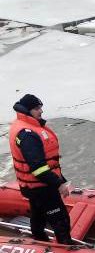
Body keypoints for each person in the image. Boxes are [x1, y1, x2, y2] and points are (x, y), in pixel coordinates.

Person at [8, 94, 74, 245]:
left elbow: (48, 164)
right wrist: (59, 184)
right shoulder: (27, 134)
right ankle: (66, 246)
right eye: (37, 108)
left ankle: (39, 240)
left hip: (32, 186)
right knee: (60, 218)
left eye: (40, 107)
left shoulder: (23, 126)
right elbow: (38, 168)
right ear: (28, 110)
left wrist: (61, 179)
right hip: (41, 186)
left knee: (38, 214)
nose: (41, 111)